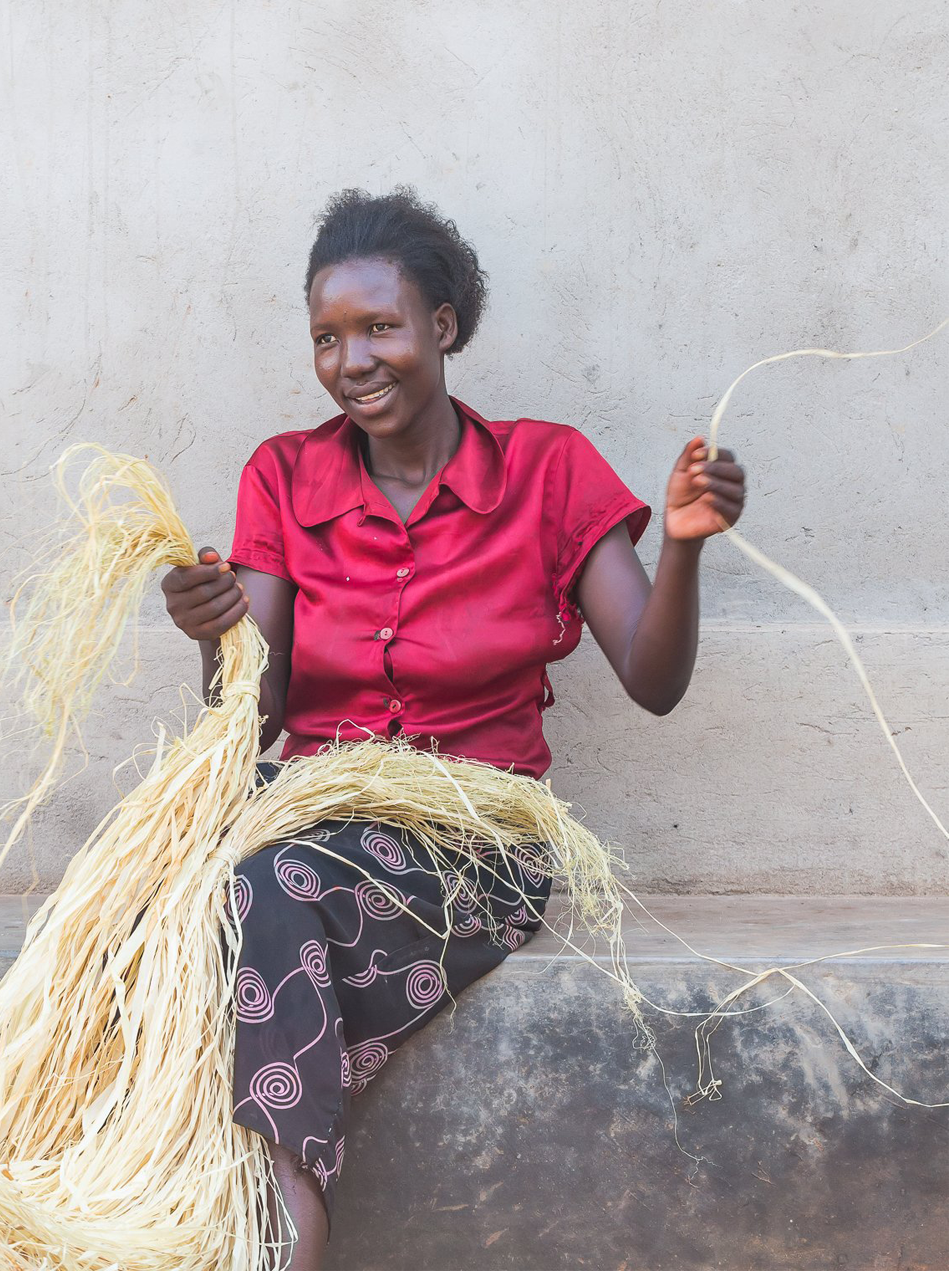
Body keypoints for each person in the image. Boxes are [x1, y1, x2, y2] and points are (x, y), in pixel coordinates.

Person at [161, 188, 746, 1268]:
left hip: (473, 839)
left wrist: (687, 548)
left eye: (379, 327)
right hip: (311, 812)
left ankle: (287, 1213)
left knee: (273, 884)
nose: (352, 361)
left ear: (443, 327)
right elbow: (258, 718)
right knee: (162, 890)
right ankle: (131, 1188)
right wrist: (215, 643)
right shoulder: (282, 477)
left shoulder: (547, 471)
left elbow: (654, 682)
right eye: (327, 339)